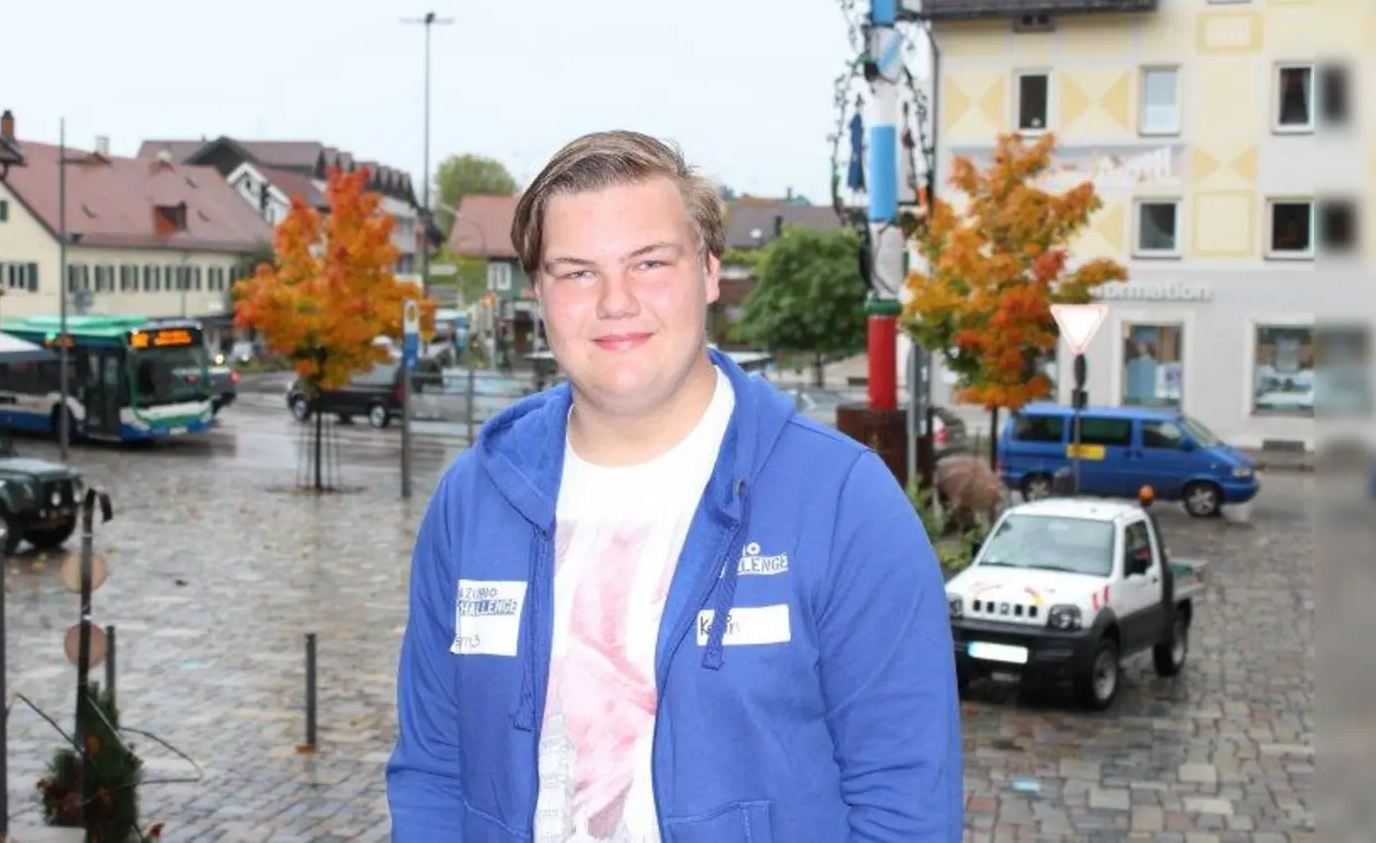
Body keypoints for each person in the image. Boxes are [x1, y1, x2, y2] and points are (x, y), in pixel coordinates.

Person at [386, 130, 962, 842]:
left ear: (710, 272)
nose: (615, 302)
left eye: (650, 263)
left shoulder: (845, 505)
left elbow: (906, 804)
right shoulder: (473, 503)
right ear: (538, 292)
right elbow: (433, 772)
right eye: (576, 272)